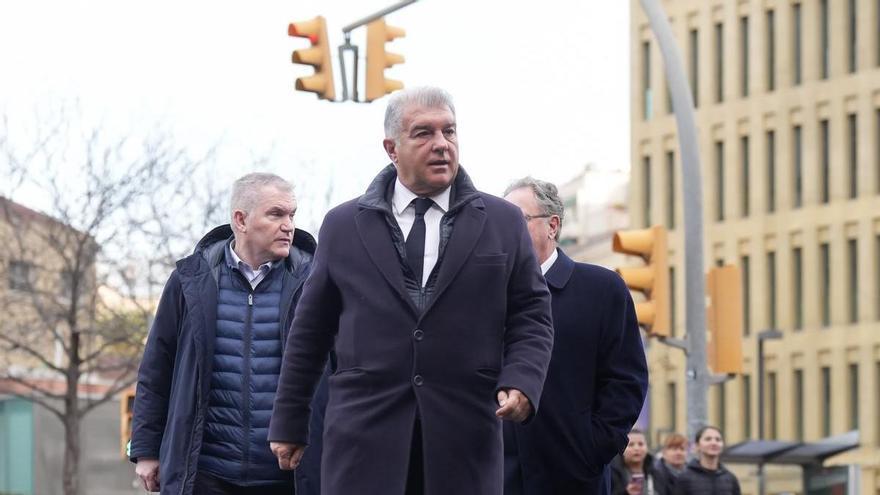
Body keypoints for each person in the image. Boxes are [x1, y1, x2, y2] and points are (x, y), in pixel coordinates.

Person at [268, 86, 555, 495]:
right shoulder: (343, 225)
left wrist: (523, 380)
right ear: (392, 148)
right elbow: (310, 331)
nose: (441, 144)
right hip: (363, 444)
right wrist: (289, 421)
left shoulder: (503, 222)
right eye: (424, 133)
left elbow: (532, 315)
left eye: (449, 131)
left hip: (465, 443)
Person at [129, 173, 317, 494]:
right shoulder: (191, 280)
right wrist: (146, 449)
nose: (289, 226)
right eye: (276, 214)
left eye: (292, 215)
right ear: (241, 220)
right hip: (205, 474)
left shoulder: (315, 282)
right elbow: (157, 368)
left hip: (288, 477)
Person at [502, 178, 648, 495]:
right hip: (500, 478)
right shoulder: (489, 294)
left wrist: (592, 450)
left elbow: (626, 381)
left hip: (574, 477)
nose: (506, 231)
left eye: (518, 220)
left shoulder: (601, 289)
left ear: (552, 225)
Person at [673, 426, 741, 495]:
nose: (714, 443)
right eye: (708, 439)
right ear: (697, 446)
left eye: (718, 440)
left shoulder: (730, 479)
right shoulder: (685, 478)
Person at [610, 430, 663, 495]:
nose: (636, 448)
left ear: (647, 447)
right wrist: (626, 493)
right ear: (622, 449)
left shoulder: (658, 472)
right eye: (631, 445)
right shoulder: (612, 473)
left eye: (641, 444)